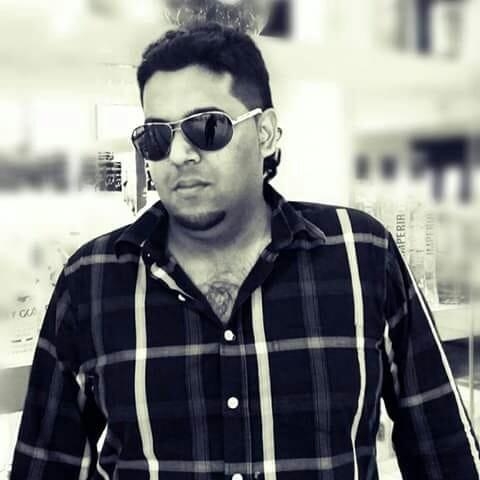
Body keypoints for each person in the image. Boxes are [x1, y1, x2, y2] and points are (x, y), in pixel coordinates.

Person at [10, 22, 480, 480]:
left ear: (266, 133)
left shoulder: (362, 256)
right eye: (157, 136)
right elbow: (47, 464)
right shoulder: (91, 280)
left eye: (207, 127)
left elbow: (444, 451)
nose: (179, 154)